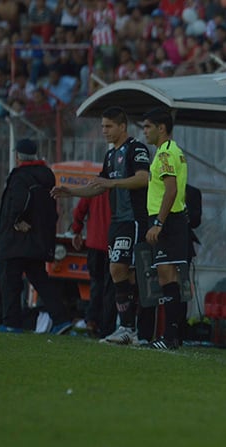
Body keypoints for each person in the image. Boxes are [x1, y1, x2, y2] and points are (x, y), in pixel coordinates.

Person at [51, 106, 151, 345]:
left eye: (108, 126)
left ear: (122, 126)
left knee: (128, 272)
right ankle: (128, 327)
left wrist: (112, 183)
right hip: (117, 222)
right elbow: (99, 186)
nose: (104, 131)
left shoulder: (136, 148)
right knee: (118, 271)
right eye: (102, 126)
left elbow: (144, 178)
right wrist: (71, 192)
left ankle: (135, 328)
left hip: (134, 220)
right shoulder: (110, 155)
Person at [0, 139, 72, 335]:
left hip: (17, 240)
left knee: (10, 280)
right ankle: (61, 319)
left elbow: (20, 201)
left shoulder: (20, 176)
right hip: (38, 241)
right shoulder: (46, 175)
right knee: (41, 281)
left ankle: (11, 323)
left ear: (18, 156)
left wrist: (16, 220)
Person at [141, 106, 190, 350]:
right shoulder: (170, 151)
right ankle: (174, 335)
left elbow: (170, 190)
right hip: (171, 219)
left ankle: (170, 336)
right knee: (168, 276)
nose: (144, 132)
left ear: (161, 128)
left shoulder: (165, 154)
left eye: (147, 127)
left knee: (167, 275)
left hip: (167, 220)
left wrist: (158, 223)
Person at [70, 191, 115, 338]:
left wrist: (76, 231)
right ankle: (107, 324)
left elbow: (80, 210)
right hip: (114, 243)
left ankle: (92, 320)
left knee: (96, 283)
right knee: (112, 287)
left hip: (94, 243)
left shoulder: (94, 186)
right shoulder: (122, 184)